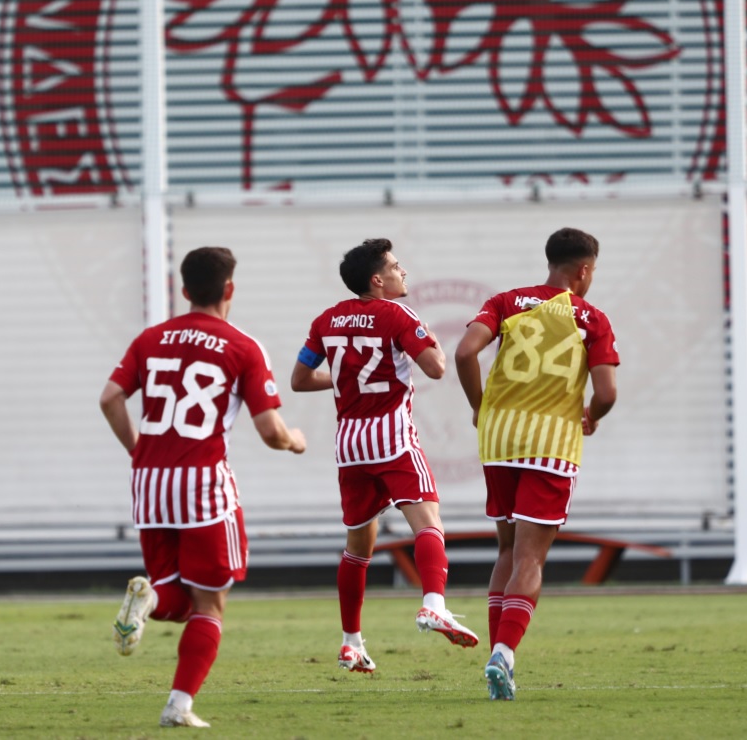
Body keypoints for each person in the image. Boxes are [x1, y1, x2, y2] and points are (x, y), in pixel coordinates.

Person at [100, 247, 307, 728]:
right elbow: (271, 432)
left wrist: (138, 450)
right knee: (210, 603)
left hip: (149, 482)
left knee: (176, 597)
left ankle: (147, 599)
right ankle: (178, 706)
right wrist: (295, 442)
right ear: (229, 289)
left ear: (185, 290)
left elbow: (110, 398)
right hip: (203, 485)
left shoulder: (150, 339)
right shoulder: (242, 346)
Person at [291, 238, 478, 675]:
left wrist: (343, 379)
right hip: (391, 435)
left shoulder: (327, 318)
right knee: (428, 522)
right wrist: (432, 340)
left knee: (358, 547)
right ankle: (434, 604)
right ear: (378, 280)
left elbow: (300, 379)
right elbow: (435, 367)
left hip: (349, 443)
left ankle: (351, 644)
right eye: (396, 266)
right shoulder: (397, 314)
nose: (403, 272)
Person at [454, 227, 619, 701]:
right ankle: (504, 654)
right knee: (530, 557)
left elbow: (465, 351)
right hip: (551, 443)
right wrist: (593, 414)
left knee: (505, 551)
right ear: (584, 270)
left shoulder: (506, 301)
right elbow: (607, 392)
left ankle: (498, 661)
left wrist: (479, 406)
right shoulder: (590, 317)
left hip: (499, 437)